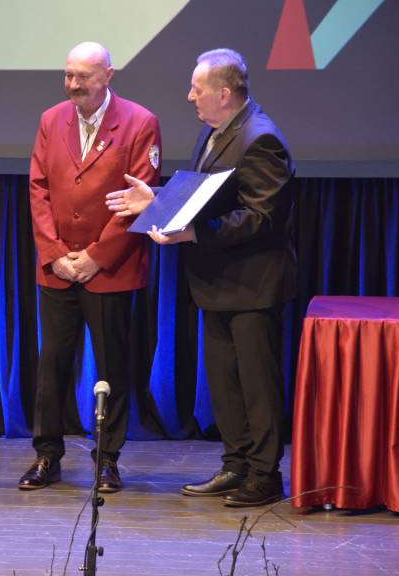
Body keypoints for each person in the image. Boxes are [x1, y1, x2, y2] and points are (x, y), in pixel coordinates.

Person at [107, 48, 295, 507]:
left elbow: (262, 218)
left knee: (256, 385)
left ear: (224, 94)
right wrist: (157, 200)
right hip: (218, 284)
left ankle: (264, 476)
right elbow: (206, 195)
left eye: (197, 89)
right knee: (225, 384)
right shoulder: (217, 130)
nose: (190, 96)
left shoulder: (261, 139)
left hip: (252, 286)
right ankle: (236, 465)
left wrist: (194, 233)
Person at [19, 41, 161, 494]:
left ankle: (108, 460)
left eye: (83, 76)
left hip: (111, 269)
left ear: (108, 76)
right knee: (52, 365)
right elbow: (38, 189)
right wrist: (55, 253)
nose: (73, 84)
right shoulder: (50, 119)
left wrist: (97, 256)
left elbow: (139, 199)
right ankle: (47, 456)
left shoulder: (140, 122)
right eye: (68, 75)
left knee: (112, 367)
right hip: (57, 268)